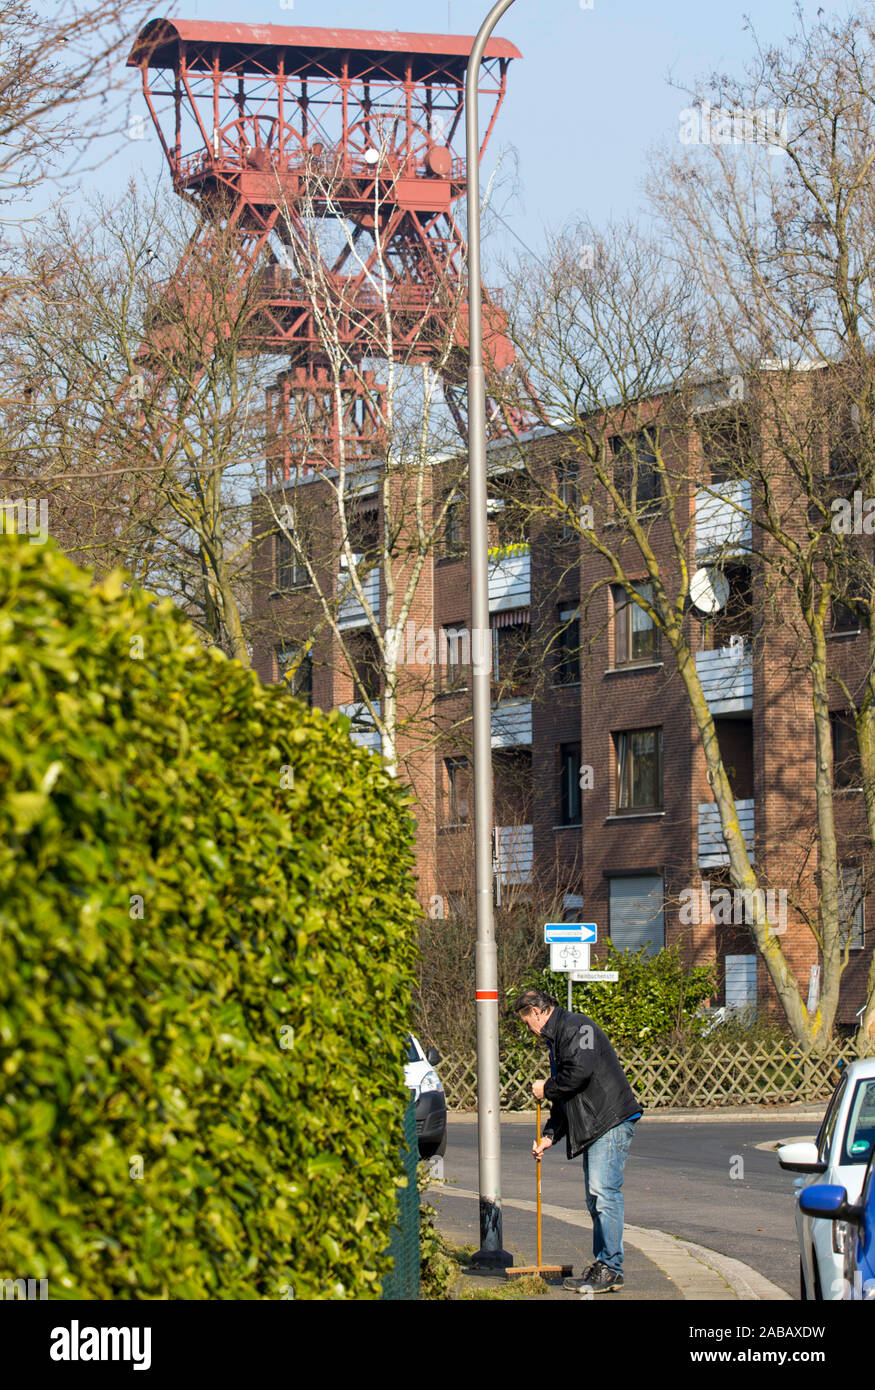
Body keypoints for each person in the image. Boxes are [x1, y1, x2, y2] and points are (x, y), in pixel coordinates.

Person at [514, 987, 642, 1294]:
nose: (527, 1028)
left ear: (537, 1012)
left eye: (525, 1020)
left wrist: (547, 1086)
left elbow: (579, 1074)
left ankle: (611, 1268)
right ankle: (604, 1265)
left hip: (610, 1119)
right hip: (596, 1124)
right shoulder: (558, 1039)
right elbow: (566, 1095)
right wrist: (548, 1135)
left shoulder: (577, 1026)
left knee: (603, 1193)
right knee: (595, 1197)